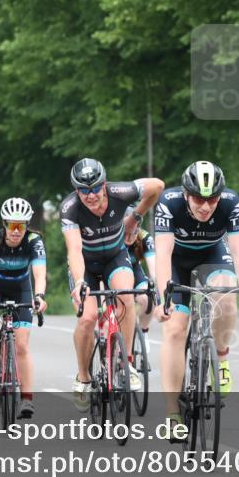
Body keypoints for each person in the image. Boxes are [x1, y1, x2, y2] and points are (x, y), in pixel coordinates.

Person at [153, 161, 239, 436]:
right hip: (177, 260)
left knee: (226, 296)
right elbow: (163, 255)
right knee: (176, 330)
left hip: (213, 254)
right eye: (199, 199)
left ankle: (221, 361)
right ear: (187, 195)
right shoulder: (169, 202)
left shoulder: (231, 202)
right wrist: (163, 298)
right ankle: (172, 413)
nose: (206, 206)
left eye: (212, 199)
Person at [61, 158, 164, 410]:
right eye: (83, 190)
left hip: (115, 258)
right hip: (85, 265)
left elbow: (157, 186)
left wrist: (136, 216)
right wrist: (78, 283)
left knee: (126, 298)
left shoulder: (121, 192)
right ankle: (83, 376)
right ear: (76, 190)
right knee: (87, 318)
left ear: (104, 184)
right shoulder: (70, 208)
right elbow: (74, 250)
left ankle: (125, 362)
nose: (91, 195)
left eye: (96, 188)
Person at [0, 197, 47, 419]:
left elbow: (39, 273)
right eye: (12, 225)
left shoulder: (34, 241)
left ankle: (26, 399)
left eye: (21, 225)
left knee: (22, 346)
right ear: (4, 223)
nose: (16, 231)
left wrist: (40, 296)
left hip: (21, 289)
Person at [126, 206, 157, 344]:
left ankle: (143, 332)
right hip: (111, 272)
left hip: (134, 269)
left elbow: (153, 269)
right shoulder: (112, 236)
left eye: (135, 227)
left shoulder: (144, 236)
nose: (132, 231)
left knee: (148, 298)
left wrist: (155, 285)